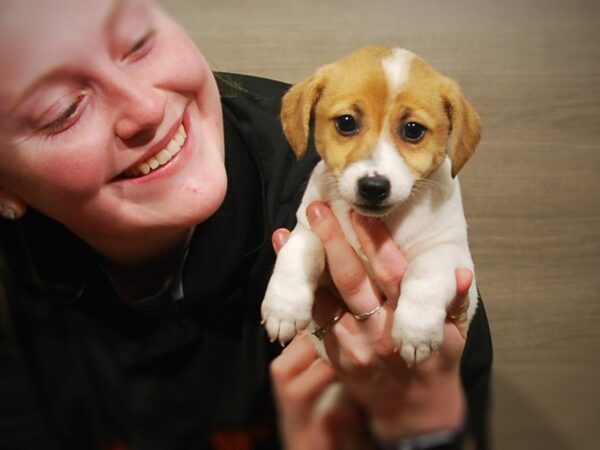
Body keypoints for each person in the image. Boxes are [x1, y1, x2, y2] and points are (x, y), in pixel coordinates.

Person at [0, 0, 493, 449]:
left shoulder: (378, 209)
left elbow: (453, 411)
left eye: (137, 41)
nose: (147, 109)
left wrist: (414, 430)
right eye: (61, 110)